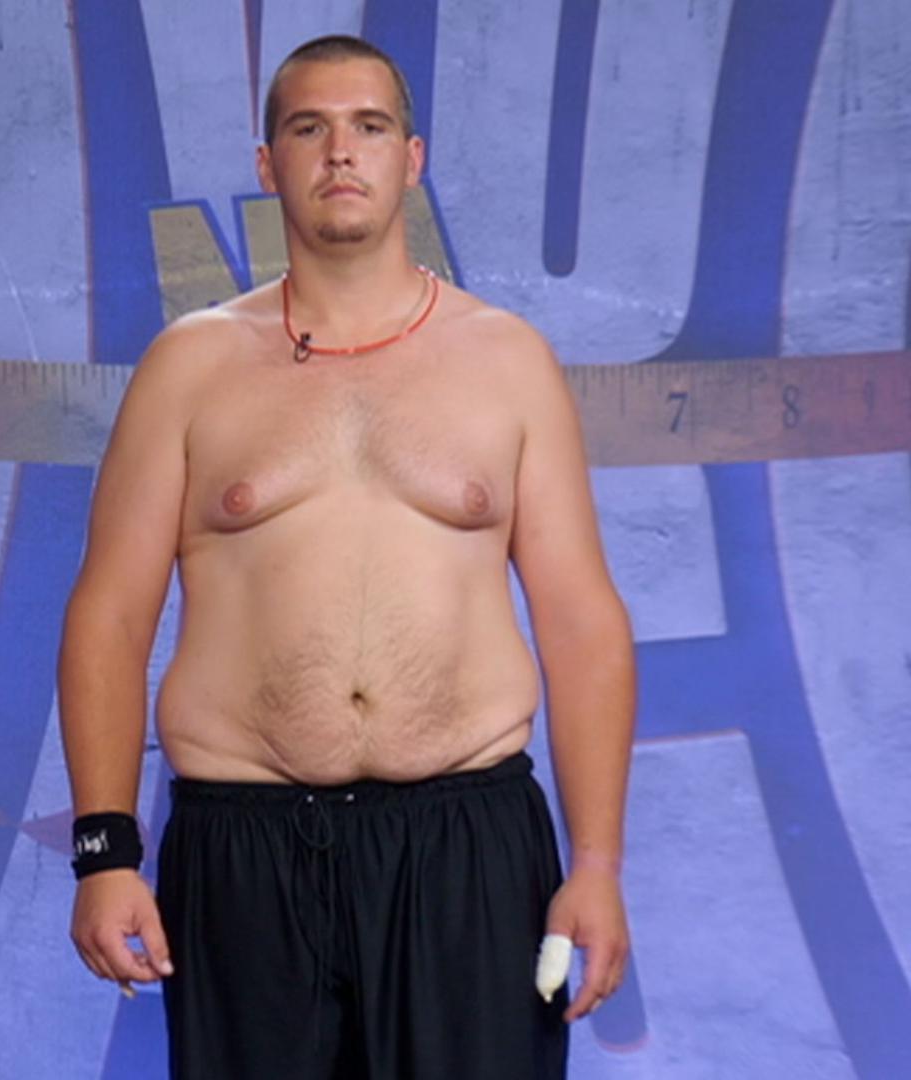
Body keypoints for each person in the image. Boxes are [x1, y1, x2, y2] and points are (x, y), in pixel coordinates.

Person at [57, 34, 635, 1079]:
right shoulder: (189, 367)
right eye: (308, 128)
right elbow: (109, 615)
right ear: (268, 161)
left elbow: (582, 623)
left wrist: (595, 863)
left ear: (411, 159)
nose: (339, 152)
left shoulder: (507, 362)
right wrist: (105, 851)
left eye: (368, 126)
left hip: (467, 846)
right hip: (246, 851)